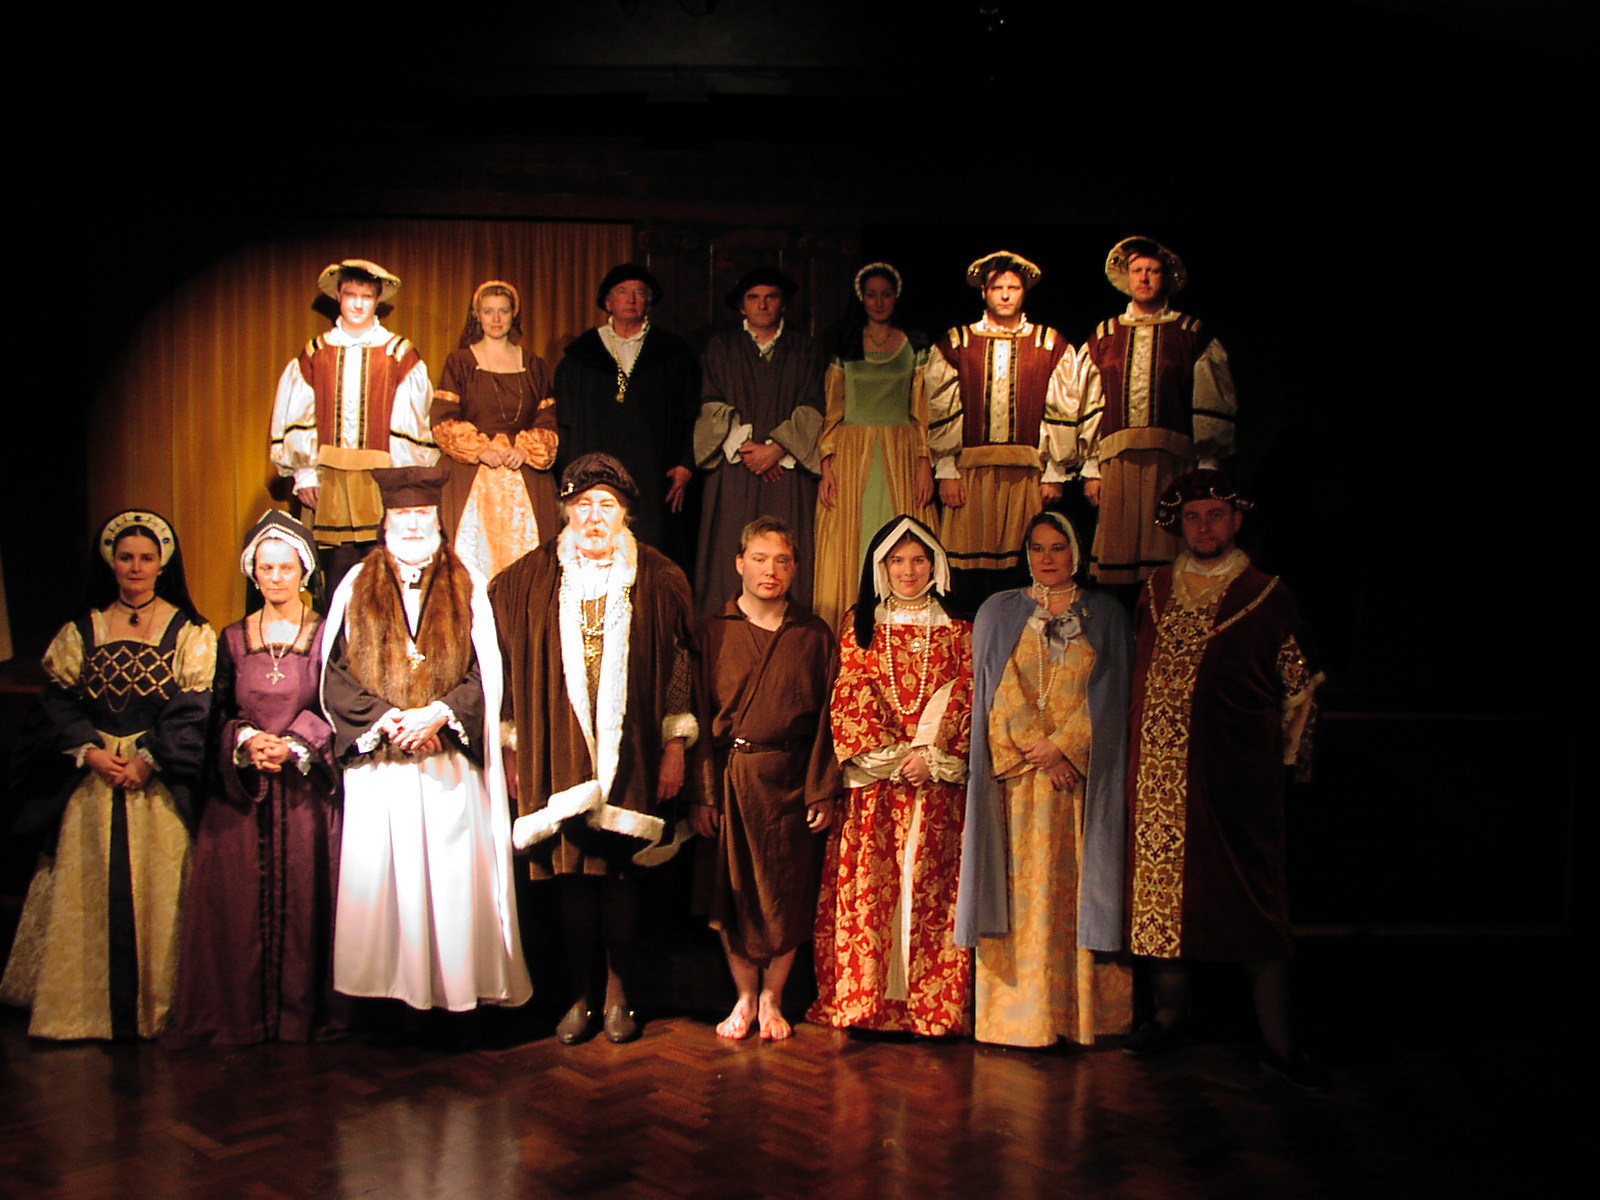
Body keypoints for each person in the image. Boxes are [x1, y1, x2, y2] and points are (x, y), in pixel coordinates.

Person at [1123, 470, 1323, 1086]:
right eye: (1193, 516)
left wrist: (1286, 771)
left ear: (1236, 520)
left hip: (1235, 785)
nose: (1203, 527)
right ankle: (1169, 1016)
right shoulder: (1155, 589)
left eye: (1215, 515)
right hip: (1156, 782)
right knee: (1159, 904)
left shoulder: (1266, 594)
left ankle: (1279, 1043)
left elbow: (1300, 693)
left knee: (1252, 907)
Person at [491, 453, 697, 1045]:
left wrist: (675, 745)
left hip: (633, 751)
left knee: (620, 874)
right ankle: (579, 996)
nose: (594, 516)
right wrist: (512, 748)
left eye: (607, 505)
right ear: (565, 511)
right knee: (572, 876)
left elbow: (681, 665)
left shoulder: (658, 577)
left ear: (626, 512)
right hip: (558, 750)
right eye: (583, 505)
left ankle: (619, 995)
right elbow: (506, 671)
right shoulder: (527, 579)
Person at [320, 467, 531, 1019]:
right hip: (382, 763)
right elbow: (335, 673)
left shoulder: (468, 582)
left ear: (437, 520)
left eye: (421, 515)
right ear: (385, 521)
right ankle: (389, 1003)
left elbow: (489, 671)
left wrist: (439, 714)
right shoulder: (354, 584)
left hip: (448, 764)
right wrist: (390, 721)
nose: (412, 525)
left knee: (454, 882)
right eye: (402, 515)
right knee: (386, 881)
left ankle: (456, 994)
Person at [0, 511, 215, 1039]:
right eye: (126, 558)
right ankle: (81, 1011)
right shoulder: (83, 630)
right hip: (94, 781)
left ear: (162, 565)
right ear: (111, 563)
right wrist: (91, 752)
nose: (135, 567)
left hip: (155, 783)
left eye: (146, 558)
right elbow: (57, 701)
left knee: (157, 896)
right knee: (87, 893)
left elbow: (193, 708)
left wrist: (148, 758)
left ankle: (159, 1007)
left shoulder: (189, 633)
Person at [164, 511, 347, 1047]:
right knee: (237, 909)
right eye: (266, 568)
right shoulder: (231, 638)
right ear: (253, 573)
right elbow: (218, 712)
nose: (276, 578)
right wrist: (246, 741)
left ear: (304, 571)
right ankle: (243, 1016)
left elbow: (337, 707)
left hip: (306, 794)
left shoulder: (326, 636)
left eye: (286, 567)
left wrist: (294, 743)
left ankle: (302, 1015)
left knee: (308, 905)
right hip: (244, 796)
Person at [955, 511, 1134, 1048]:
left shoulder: (1105, 614)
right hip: (1016, 786)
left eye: (1058, 547)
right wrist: (1037, 746)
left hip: (1076, 787)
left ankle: (1076, 1018)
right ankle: (1018, 1021)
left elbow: (1113, 694)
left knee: (1075, 896)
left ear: (1077, 551)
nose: (1048, 558)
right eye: (1038, 548)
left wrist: (1066, 748)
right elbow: (993, 687)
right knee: (1016, 898)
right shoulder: (998, 611)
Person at [808, 516, 972, 1037]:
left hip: (936, 785)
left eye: (918, 559)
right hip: (877, 788)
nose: (908, 570)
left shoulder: (959, 626)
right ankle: (867, 1003)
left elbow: (968, 692)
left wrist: (932, 756)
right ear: (881, 566)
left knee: (934, 892)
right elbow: (850, 693)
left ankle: (932, 1008)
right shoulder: (860, 624)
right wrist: (892, 756)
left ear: (935, 564)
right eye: (897, 560)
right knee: (873, 892)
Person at [691, 516, 842, 1040]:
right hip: (732, 779)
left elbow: (829, 720)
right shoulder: (713, 631)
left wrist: (822, 789)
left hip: (793, 782)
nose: (769, 570)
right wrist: (703, 794)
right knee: (731, 895)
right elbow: (695, 717)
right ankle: (744, 997)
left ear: (795, 568)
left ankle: (773, 998)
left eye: (781, 560)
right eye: (759, 559)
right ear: (739, 563)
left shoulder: (814, 634)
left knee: (787, 892)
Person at [925, 251, 1085, 610]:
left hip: (1025, 473)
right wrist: (946, 469)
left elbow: (1061, 408)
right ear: (984, 291)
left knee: (1020, 566)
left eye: (1013, 287)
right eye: (998, 287)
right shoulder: (958, 342)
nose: (1006, 294)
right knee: (968, 570)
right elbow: (941, 406)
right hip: (970, 473)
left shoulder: (1048, 343)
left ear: (1024, 291)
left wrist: (1055, 471)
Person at [269, 258, 438, 594]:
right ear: (339, 297)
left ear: (378, 299)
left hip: (380, 481)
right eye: (351, 295)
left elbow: (412, 425)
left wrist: (402, 485)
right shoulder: (317, 353)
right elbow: (300, 416)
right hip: (330, 484)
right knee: (336, 577)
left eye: (366, 296)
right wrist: (305, 475)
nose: (358, 304)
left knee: (384, 576)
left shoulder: (399, 355)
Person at [1077, 237, 1238, 585]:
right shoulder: (1106, 334)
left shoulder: (1189, 332)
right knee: (1120, 555)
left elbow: (1209, 399)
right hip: (1118, 462)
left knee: (1166, 554)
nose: (1144, 277)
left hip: (1172, 464)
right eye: (1137, 270)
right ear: (1127, 276)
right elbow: (1089, 401)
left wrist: (1208, 463)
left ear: (1167, 277)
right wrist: (1091, 467)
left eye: (1153, 270)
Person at [693, 268, 826, 621]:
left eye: (771, 297)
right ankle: (726, 637)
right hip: (734, 472)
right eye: (754, 297)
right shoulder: (720, 348)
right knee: (729, 551)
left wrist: (777, 449)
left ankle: (789, 637)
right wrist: (746, 448)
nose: (763, 305)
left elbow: (814, 405)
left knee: (787, 549)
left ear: (783, 304)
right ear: (742, 306)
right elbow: (710, 403)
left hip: (788, 473)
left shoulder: (805, 350)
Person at [811, 264, 938, 633]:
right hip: (853, 455)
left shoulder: (915, 345)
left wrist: (924, 461)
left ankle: (904, 629)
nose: (878, 301)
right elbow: (833, 408)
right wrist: (827, 463)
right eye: (871, 294)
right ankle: (852, 633)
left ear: (896, 297)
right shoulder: (845, 345)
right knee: (851, 542)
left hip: (900, 453)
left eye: (885, 294)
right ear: (861, 298)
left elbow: (922, 409)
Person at [554, 263, 700, 569]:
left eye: (639, 293)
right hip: (594, 473)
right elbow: (564, 423)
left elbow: (692, 414)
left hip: (655, 473)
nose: (632, 299)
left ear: (649, 302)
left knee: (653, 552)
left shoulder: (673, 354)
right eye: (623, 292)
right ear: (608, 303)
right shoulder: (580, 357)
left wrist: (686, 462)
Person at [431, 279, 559, 579]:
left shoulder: (533, 365)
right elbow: (443, 418)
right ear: (477, 315)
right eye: (488, 311)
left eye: (503, 311)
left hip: (522, 469)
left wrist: (524, 450)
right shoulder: (460, 362)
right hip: (472, 471)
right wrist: (479, 450)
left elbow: (547, 419)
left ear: (514, 314)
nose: (496, 319)